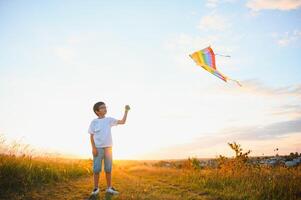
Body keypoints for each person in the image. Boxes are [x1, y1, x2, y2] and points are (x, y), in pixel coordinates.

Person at [88, 101, 130, 195]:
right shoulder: (94, 122)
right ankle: (95, 188)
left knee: (108, 169)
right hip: (98, 148)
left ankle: (109, 188)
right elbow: (91, 136)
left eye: (105, 107)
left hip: (108, 149)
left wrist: (126, 111)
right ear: (97, 111)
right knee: (96, 169)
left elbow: (122, 122)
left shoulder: (109, 120)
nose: (105, 108)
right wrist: (93, 148)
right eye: (102, 107)